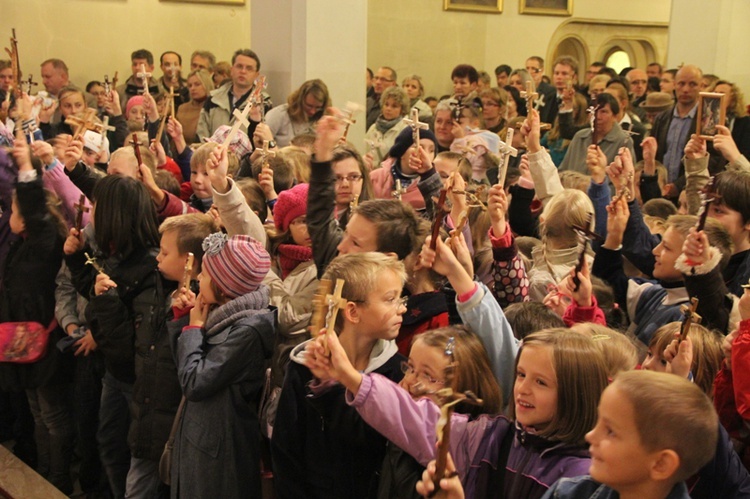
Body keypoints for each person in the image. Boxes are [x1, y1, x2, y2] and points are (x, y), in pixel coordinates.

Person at [308, 327, 608, 499]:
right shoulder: (490, 436)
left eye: (540, 382)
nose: (523, 390)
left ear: (574, 393)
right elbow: (414, 417)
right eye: (520, 375)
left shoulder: (581, 479)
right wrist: (348, 376)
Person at [271, 252, 408, 499]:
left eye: (400, 297)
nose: (403, 307)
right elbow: (286, 451)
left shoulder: (398, 371)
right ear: (353, 312)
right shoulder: (306, 367)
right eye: (390, 299)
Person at [169, 232, 274, 499]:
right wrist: (184, 319)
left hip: (218, 455)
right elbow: (181, 368)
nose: (198, 278)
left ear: (224, 286)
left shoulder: (247, 331)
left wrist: (193, 330)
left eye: (204, 274)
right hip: (201, 442)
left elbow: (194, 382)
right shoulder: (222, 315)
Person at [0, 135, 74, 494]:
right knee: (37, 412)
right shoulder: (24, 245)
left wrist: (28, 168)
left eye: (13, 211)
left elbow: (33, 207)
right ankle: (43, 470)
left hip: (46, 343)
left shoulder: (44, 242)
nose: (9, 216)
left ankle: (57, 479)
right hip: (23, 344)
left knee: (53, 416)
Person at [542, 370, 717, 499]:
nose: (590, 436)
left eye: (610, 432)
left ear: (660, 464)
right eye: (598, 422)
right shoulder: (567, 494)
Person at [650, 64, 702, 200]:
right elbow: (656, 154)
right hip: (660, 190)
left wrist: (679, 185)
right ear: (674, 85)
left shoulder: (707, 122)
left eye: (692, 84)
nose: (686, 89)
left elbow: (714, 161)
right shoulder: (662, 118)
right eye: (681, 84)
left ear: (701, 86)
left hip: (690, 193)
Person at [197, 49, 271, 140]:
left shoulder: (263, 103)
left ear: (256, 75)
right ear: (232, 70)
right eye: (239, 66)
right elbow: (201, 133)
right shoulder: (213, 99)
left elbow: (263, 139)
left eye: (249, 68)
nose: (243, 71)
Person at [559, 93, 635, 174]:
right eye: (593, 111)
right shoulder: (580, 137)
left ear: (615, 116)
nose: (597, 116)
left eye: (603, 112)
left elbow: (627, 177)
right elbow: (563, 170)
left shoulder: (623, 142)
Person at [369, 125, 439, 211]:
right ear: (402, 152)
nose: (426, 155)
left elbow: (440, 213)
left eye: (431, 150)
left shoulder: (433, 185)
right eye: (418, 147)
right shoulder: (375, 178)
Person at [265, 79, 330, 147]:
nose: (312, 111)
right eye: (309, 106)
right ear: (300, 100)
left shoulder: (324, 118)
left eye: (318, 107)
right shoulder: (278, 115)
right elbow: (261, 143)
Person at [364, 86, 409, 167]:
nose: (388, 109)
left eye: (394, 106)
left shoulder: (405, 130)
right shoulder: (373, 128)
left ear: (402, 110)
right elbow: (364, 151)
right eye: (386, 104)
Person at [177, 69, 214, 144]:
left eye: (197, 84)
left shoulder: (214, 108)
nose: (192, 88)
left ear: (206, 84)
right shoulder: (182, 108)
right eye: (190, 86)